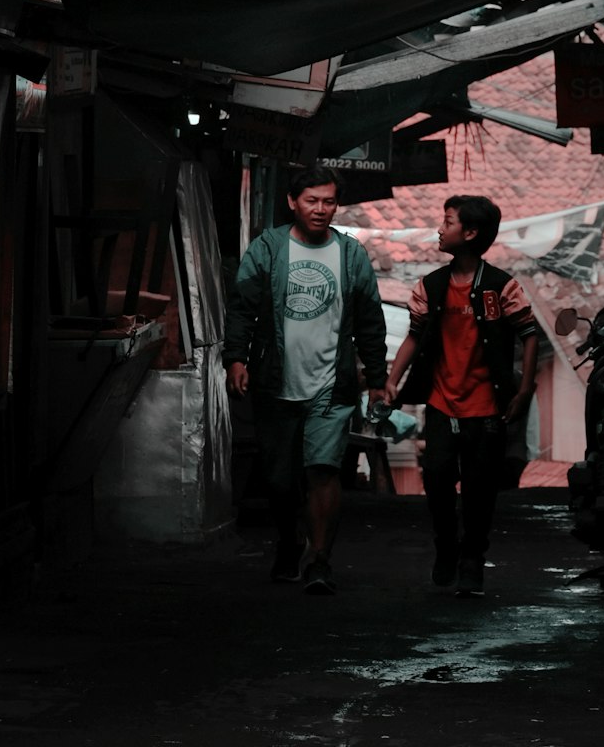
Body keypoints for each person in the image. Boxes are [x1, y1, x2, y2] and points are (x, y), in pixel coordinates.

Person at [223, 163, 387, 595]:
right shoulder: (269, 248)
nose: (320, 209)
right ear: (292, 202)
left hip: (332, 385)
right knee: (279, 478)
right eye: (311, 201)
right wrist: (235, 358)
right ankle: (289, 541)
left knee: (323, 470)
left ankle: (319, 559)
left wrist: (377, 377)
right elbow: (242, 307)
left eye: (329, 201)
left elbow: (370, 318)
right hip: (275, 380)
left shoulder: (351, 254)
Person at [384, 195, 538, 597]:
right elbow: (415, 336)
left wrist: (524, 390)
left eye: (447, 221)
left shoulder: (501, 286)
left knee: (479, 489)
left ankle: (472, 558)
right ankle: (446, 545)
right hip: (439, 403)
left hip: (486, 407)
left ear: (469, 233)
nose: (440, 228)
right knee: (435, 477)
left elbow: (530, 333)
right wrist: (393, 381)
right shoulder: (431, 286)